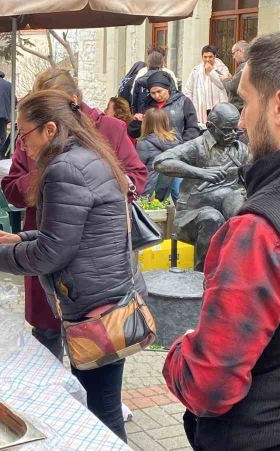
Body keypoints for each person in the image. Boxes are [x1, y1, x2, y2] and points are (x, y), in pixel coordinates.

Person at [0, 90, 142, 442]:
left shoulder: (64, 168)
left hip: (95, 311)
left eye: (24, 134)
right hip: (106, 298)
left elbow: (53, 253)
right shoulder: (87, 156)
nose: (21, 145)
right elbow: (71, 232)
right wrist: (21, 239)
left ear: (51, 129)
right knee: (103, 404)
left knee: (103, 412)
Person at [163, 32, 280, 449]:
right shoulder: (204, 146)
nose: (243, 122)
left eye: (247, 103)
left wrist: (179, 352)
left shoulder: (257, 231)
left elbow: (209, 384)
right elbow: (164, 159)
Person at [1, 69, 147, 359]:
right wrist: (43, 182)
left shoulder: (110, 129)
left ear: (73, 101)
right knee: (47, 335)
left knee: (96, 356)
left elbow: (136, 177)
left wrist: (86, 186)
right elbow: (11, 187)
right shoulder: (33, 131)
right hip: (44, 239)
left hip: (94, 266)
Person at [153, 103, 248, 271]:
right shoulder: (196, 147)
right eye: (227, 130)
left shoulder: (240, 150)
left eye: (235, 129)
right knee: (211, 218)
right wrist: (200, 172)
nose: (233, 134)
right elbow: (160, 162)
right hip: (192, 216)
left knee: (241, 210)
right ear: (211, 127)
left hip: (227, 210)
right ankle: (203, 275)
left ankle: (235, 272)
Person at [128, 71, 200, 144]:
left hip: (177, 148)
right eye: (153, 93)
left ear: (167, 88)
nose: (157, 96)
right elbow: (136, 132)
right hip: (152, 149)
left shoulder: (183, 102)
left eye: (159, 91)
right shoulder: (147, 104)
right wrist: (137, 122)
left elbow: (192, 128)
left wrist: (182, 147)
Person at [136, 108, 182, 197]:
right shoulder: (176, 140)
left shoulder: (143, 144)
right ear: (166, 122)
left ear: (146, 123)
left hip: (149, 191)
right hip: (169, 191)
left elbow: (138, 169)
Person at [183, 45, 231, 125]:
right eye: (205, 57)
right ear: (202, 57)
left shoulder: (222, 68)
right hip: (201, 107)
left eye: (210, 57)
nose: (207, 59)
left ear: (215, 56)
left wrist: (212, 71)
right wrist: (191, 107)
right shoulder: (196, 70)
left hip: (217, 107)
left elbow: (223, 85)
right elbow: (188, 90)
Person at [131, 47, 179, 114]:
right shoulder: (168, 76)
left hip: (143, 116)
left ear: (148, 63)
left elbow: (134, 101)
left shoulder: (139, 79)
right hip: (164, 115)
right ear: (162, 63)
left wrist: (136, 114)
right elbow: (175, 97)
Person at [224, 40, 249, 111]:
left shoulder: (245, 66)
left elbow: (232, 87)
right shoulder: (251, 64)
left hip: (240, 108)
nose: (233, 57)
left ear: (241, 50)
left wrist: (225, 79)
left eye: (233, 53)